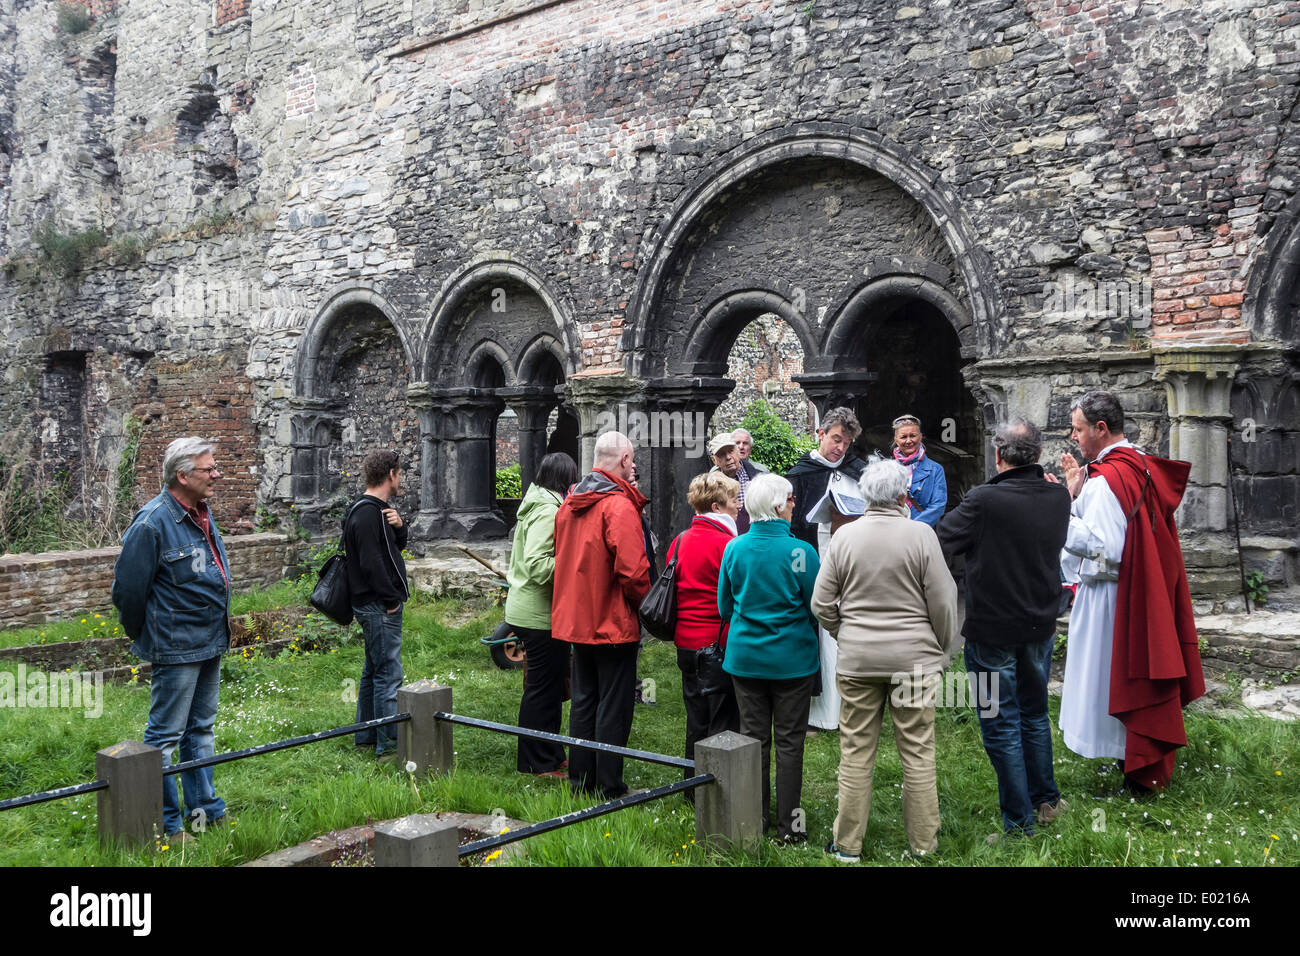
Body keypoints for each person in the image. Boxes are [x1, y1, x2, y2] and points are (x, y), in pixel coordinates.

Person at [1053, 391, 1204, 791]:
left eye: (1079, 429)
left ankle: (1132, 761)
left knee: (1111, 677)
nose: (1074, 436)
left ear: (1101, 429)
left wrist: (1063, 506)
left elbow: (1106, 548)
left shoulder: (1106, 481)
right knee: (1117, 679)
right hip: (1136, 591)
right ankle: (1128, 753)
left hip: (1111, 597)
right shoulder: (1138, 463)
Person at [811, 458, 958, 861]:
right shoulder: (921, 535)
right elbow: (944, 601)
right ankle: (924, 845)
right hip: (914, 660)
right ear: (901, 495)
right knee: (918, 750)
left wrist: (847, 634)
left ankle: (846, 845)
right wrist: (940, 647)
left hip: (858, 659)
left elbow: (821, 602)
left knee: (856, 751)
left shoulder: (844, 538)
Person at [937, 419, 1071, 841]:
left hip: (993, 628)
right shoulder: (1058, 495)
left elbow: (941, 538)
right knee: (1033, 713)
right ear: (1038, 454)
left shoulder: (984, 499)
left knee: (999, 722)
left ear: (998, 455)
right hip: (1039, 623)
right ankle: (1046, 800)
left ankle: (1018, 824)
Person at [112, 437, 231, 840]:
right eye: (208, 469)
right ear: (182, 475)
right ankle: (168, 822)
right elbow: (128, 591)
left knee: (201, 729)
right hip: (177, 644)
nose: (217, 474)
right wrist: (148, 634)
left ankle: (205, 811)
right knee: (164, 739)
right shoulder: (151, 523)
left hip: (211, 637)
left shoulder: (199, 512)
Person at [717, 473, 821, 843]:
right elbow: (816, 607)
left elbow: (724, 606)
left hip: (746, 657)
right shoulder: (801, 553)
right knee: (790, 742)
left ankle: (754, 819)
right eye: (791, 500)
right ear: (779, 506)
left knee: (754, 738)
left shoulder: (735, 548)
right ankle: (789, 828)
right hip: (792, 658)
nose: (794, 505)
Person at [552, 431, 652, 798]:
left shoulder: (569, 503)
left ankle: (581, 781)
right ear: (624, 460)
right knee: (614, 705)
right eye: (633, 459)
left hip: (577, 622)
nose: (635, 465)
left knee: (583, 702)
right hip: (612, 623)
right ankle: (608, 785)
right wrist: (647, 608)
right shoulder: (618, 505)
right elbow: (633, 571)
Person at [785, 406, 868, 731]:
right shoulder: (800, 474)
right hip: (815, 564)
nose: (841, 448)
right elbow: (792, 525)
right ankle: (820, 712)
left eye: (846, 443)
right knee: (821, 635)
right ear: (820, 434)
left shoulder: (859, 470)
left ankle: (856, 706)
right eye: (836, 439)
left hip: (855, 566)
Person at [504, 452, 579, 776]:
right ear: (565, 480)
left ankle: (550, 751)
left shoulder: (540, 502)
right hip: (538, 613)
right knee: (542, 688)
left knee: (549, 686)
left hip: (534, 609)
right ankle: (535, 761)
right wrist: (574, 564)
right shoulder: (548, 510)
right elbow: (536, 564)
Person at [671, 472, 742, 772]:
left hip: (685, 641)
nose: (739, 506)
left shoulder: (680, 540)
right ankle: (718, 787)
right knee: (722, 719)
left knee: (696, 716)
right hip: (717, 643)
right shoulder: (728, 544)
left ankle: (692, 785)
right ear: (716, 507)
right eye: (733, 500)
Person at [344, 449, 410, 759]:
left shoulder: (376, 510)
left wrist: (399, 527)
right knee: (388, 673)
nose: (402, 478)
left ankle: (366, 735)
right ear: (391, 475)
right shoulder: (367, 514)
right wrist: (391, 600)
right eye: (400, 472)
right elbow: (371, 564)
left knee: (373, 670)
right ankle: (389, 747)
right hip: (377, 606)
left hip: (372, 604)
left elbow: (393, 549)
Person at [890, 414, 947, 527]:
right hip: (893, 530)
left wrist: (914, 528)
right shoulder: (887, 470)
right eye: (903, 437)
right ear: (896, 440)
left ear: (920, 437)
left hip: (921, 531)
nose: (908, 440)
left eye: (913, 436)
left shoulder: (935, 470)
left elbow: (938, 505)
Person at [707, 432, 760, 534]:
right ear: (714, 460)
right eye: (721, 454)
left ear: (737, 451)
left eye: (731, 451)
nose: (728, 457)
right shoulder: (709, 487)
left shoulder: (760, 479)